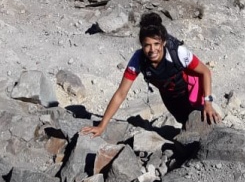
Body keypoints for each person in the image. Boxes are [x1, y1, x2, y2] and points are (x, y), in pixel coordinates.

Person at [81, 12, 221, 138]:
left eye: (156, 44)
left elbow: (205, 71)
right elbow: (121, 93)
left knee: (201, 120)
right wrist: (102, 126)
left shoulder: (177, 52)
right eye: (147, 45)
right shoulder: (138, 59)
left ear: (164, 42)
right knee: (183, 122)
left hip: (191, 90)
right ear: (141, 45)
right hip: (169, 95)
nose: (152, 49)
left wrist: (207, 102)